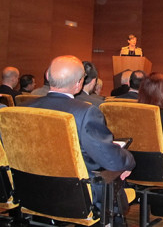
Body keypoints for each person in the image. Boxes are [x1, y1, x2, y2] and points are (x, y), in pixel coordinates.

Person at [24, 55, 135, 214]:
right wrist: (129, 160)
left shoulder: (24, 107)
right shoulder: (86, 112)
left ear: (48, 76)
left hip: (30, 189)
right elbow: (111, 160)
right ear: (78, 83)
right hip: (79, 195)